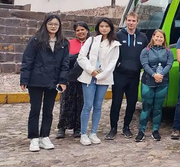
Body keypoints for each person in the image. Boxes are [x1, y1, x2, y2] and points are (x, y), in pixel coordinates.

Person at [20, 14, 70, 152]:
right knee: (35, 109)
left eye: (56, 24)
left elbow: (65, 63)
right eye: (50, 24)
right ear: (45, 25)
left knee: (48, 110)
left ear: (59, 26)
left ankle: (45, 136)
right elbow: (27, 59)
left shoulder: (64, 43)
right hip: (36, 79)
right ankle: (34, 138)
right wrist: (24, 79)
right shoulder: (36, 40)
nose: (53, 26)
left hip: (53, 81)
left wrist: (63, 80)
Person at [77, 17, 121, 146]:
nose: (104, 28)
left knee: (98, 106)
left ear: (110, 28)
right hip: (89, 77)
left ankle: (93, 132)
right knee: (87, 105)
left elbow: (113, 62)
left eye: (107, 26)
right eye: (102, 26)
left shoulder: (115, 44)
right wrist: (91, 71)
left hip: (104, 78)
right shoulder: (91, 40)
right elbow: (81, 57)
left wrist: (101, 75)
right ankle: (83, 133)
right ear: (98, 27)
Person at [105, 12, 148, 140]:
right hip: (119, 75)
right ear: (126, 21)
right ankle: (113, 128)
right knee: (116, 103)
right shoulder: (118, 35)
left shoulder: (143, 37)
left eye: (133, 21)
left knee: (131, 103)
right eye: (129, 20)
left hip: (134, 76)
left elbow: (145, 54)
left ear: (137, 22)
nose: (131, 23)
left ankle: (126, 127)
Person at [135, 29, 173, 142]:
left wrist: (161, 74)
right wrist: (153, 74)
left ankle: (155, 130)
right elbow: (145, 64)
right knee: (146, 108)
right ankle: (141, 131)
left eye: (161, 37)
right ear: (153, 37)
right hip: (148, 82)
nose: (159, 39)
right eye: (157, 36)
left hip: (163, 82)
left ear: (164, 39)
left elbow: (169, 64)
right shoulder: (145, 51)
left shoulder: (168, 51)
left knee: (158, 108)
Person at [57, 21, 89, 139]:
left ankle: (78, 127)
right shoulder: (69, 43)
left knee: (81, 103)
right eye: (78, 30)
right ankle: (62, 127)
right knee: (66, 103)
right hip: (69, 78)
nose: (80, 32)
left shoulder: (90, 44)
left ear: (87, 30)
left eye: (82, 29)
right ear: (75, 32)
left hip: (84, 77)